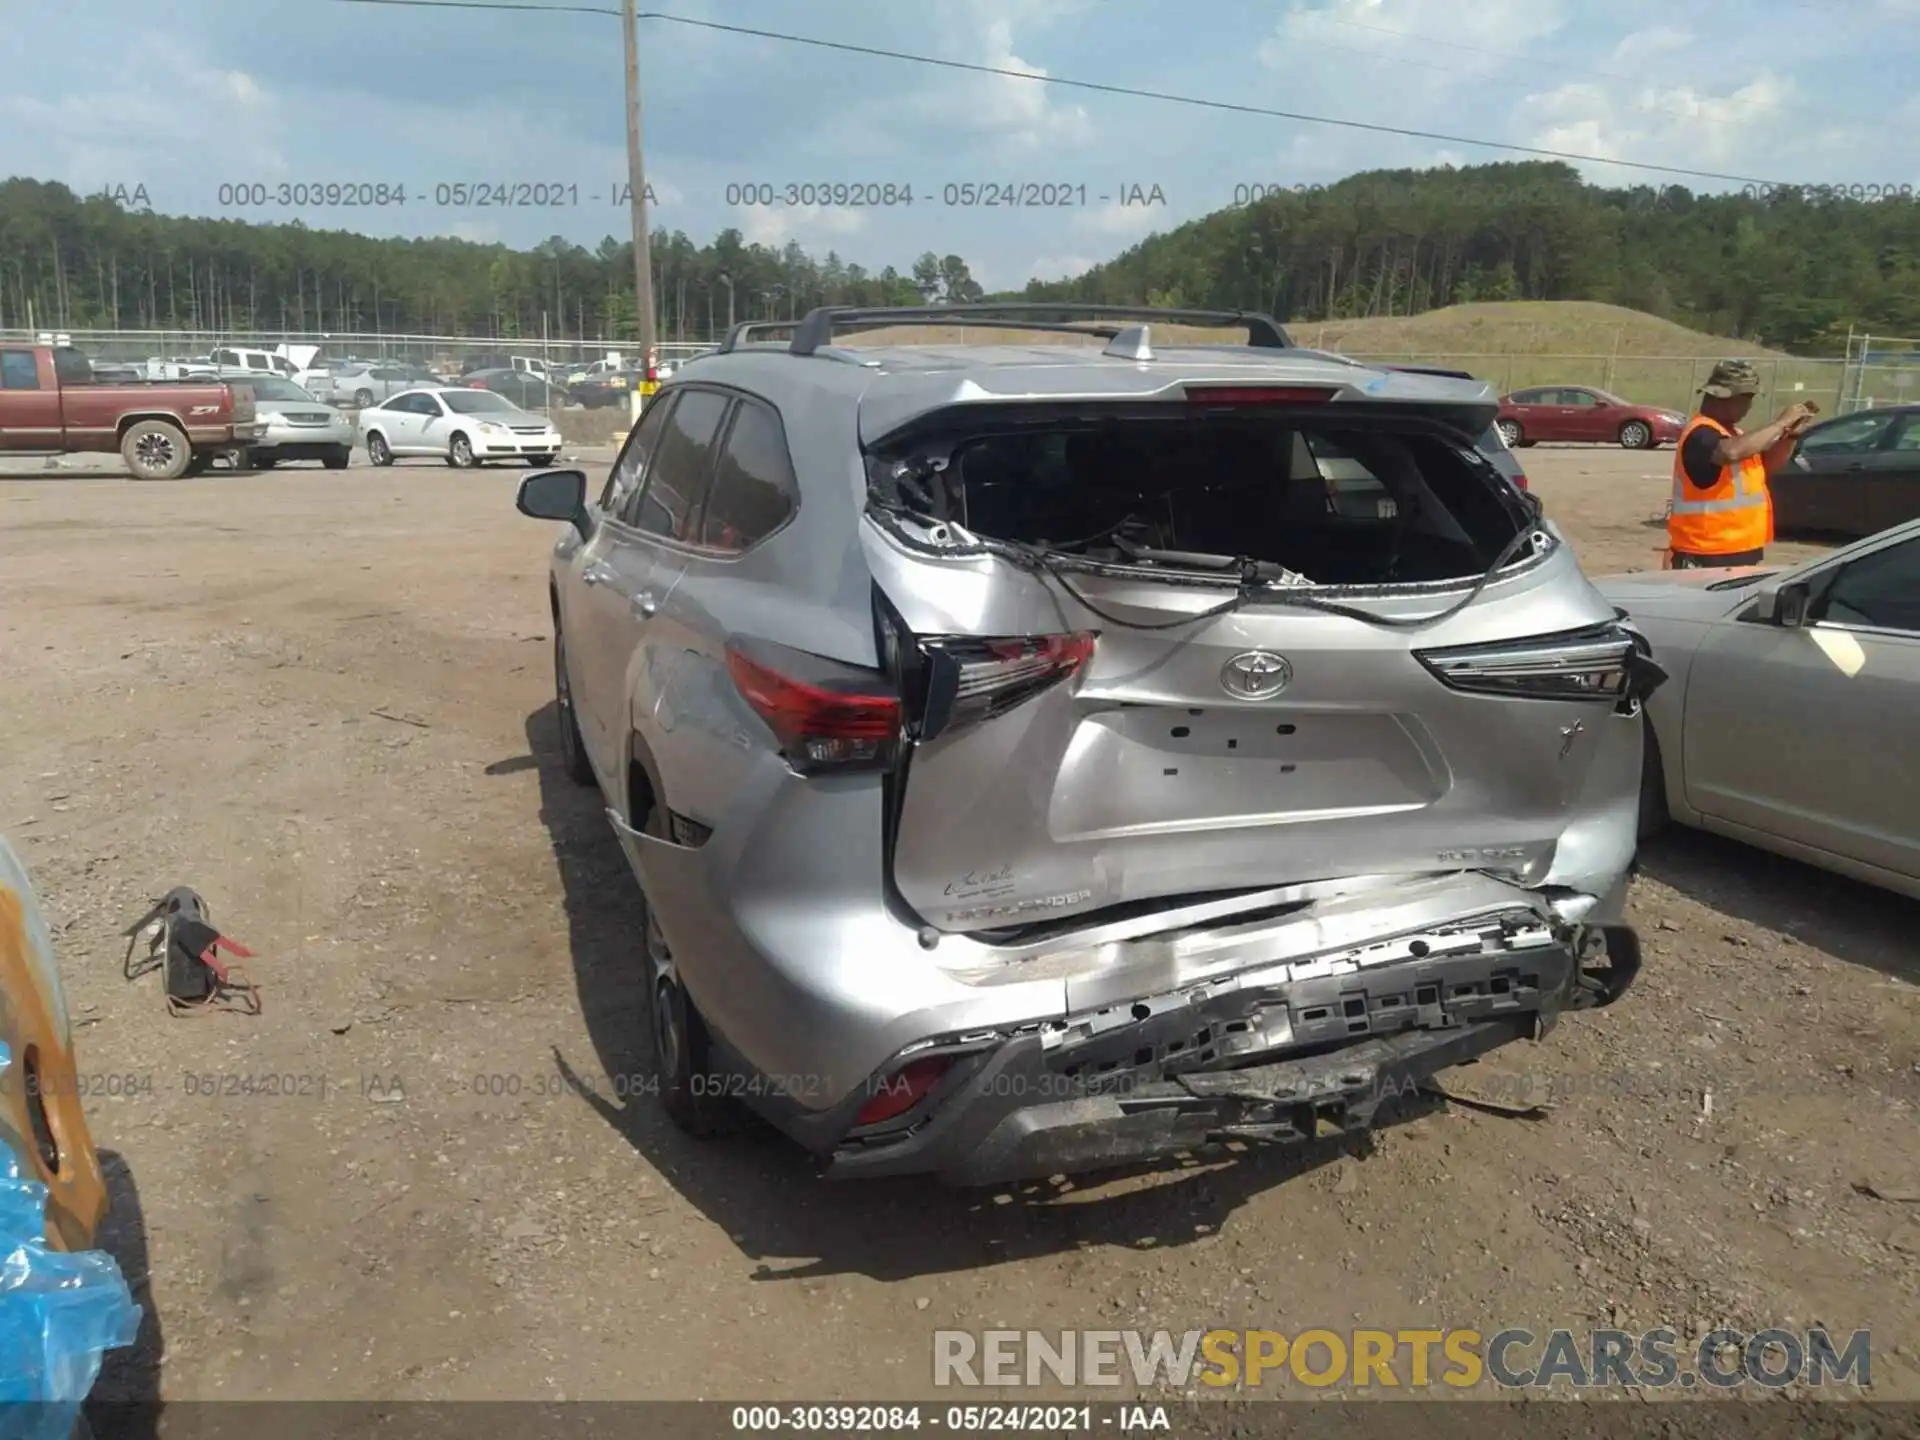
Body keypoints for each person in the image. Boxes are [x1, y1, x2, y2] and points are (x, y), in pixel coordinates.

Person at [1667, 359, 1819, 569]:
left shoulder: (1735, 435)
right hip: (1705, 555)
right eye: (1746, 398)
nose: (1749, 405)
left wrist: (1790, 436)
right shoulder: (1700, 433)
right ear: (1723, 397)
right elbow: (1731, 452)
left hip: (1740, 552)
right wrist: (1780, 423)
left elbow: (1769, 466)